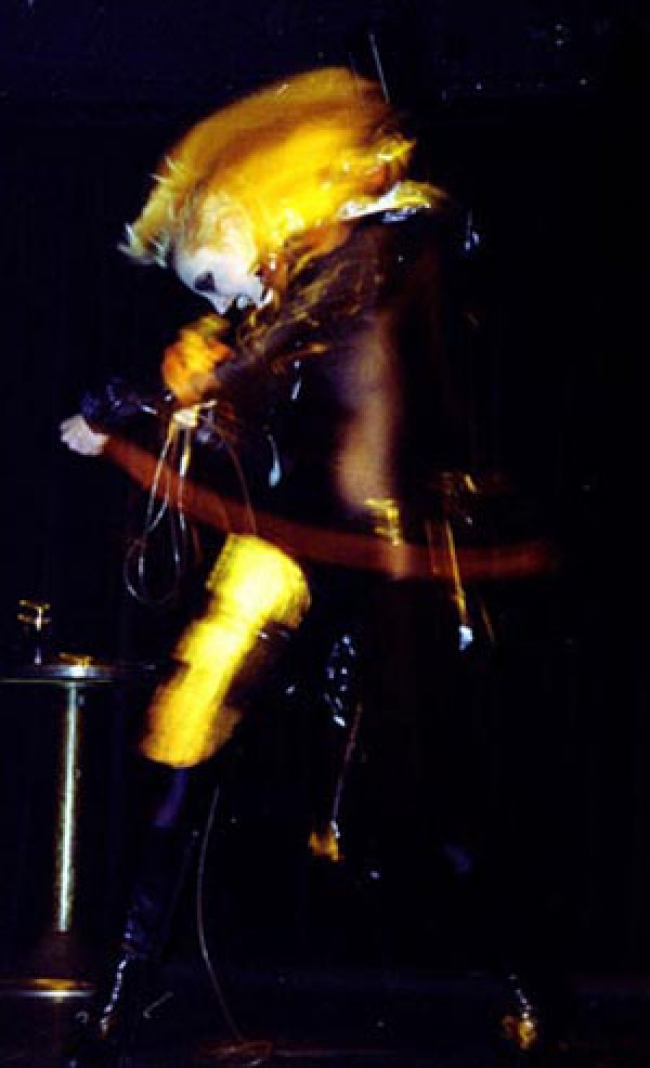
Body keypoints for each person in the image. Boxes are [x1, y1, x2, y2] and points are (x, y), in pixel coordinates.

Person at [60, 67, 544, 1064]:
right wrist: (191, 405)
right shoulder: (271, 308)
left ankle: (527, 982)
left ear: (260, 226)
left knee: (426, 796)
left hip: (383, 560)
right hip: (281, 555)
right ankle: (126, 984)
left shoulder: (370, 252)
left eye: (213, 278)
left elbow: (295, 336)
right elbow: (252, 394)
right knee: (183, 751)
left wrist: (135, 403)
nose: (218, 300)